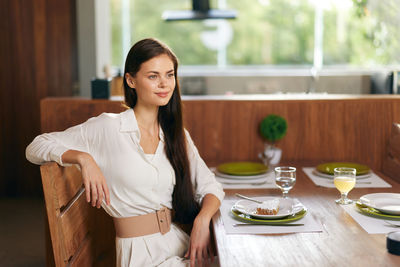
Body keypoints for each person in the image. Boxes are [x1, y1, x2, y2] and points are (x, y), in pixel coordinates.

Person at [26, 38, 224, 267]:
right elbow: (36, 146)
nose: (164, 84)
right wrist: (83, 159)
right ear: (131, 80)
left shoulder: (176, 135)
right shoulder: (108, 128)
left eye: (170, 75)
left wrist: (202, 220)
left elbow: (210, 187)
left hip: (179, 243)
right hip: (140, 256)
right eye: (153, 76)